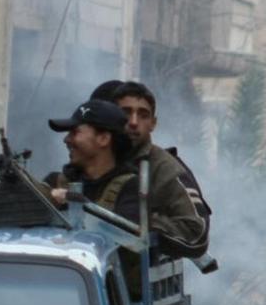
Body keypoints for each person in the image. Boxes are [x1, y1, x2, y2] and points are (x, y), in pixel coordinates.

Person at [45, 99, 208, 260]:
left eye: (75, 133)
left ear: (103, 139)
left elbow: (124, 235)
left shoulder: (131, 188)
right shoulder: (58, 181)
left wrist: (75, 204)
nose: (67, 140)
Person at [90, 79, 211, 250]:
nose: (133, 122)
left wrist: (142, 222)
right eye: (125, 112)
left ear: (153, 123)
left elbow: (196, 232)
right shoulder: (94, 158)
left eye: (143, 115)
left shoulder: (164, 168)